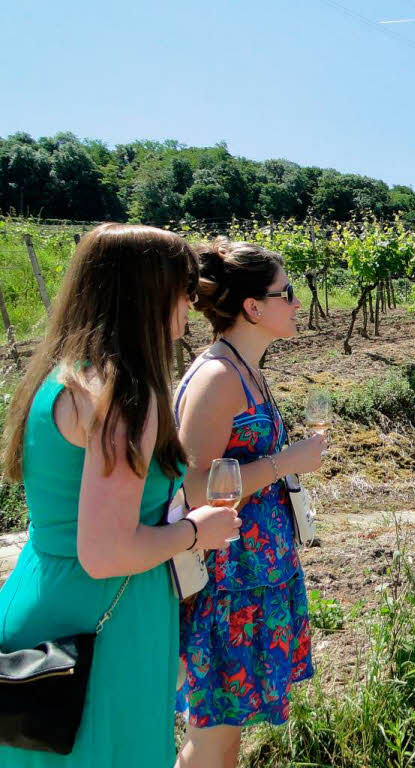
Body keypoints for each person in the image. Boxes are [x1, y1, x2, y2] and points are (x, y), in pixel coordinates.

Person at [0, 224, 240, 767]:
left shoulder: (58, 380)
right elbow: (106, 553)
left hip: (40, 604)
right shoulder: (123, 395)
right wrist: (198, 530)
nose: (189, 304)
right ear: (149, 293)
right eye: (183, 289)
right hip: (105, 625)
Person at [173, 238, 325, 768]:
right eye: (288, 292)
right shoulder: (218, 377)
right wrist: (288, 462)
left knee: (226, 736)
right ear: (253, 307)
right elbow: (195, 486)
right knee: (213, 737)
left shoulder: (245, 369)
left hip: (253, 575)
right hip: (226, 581)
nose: (298, 302)